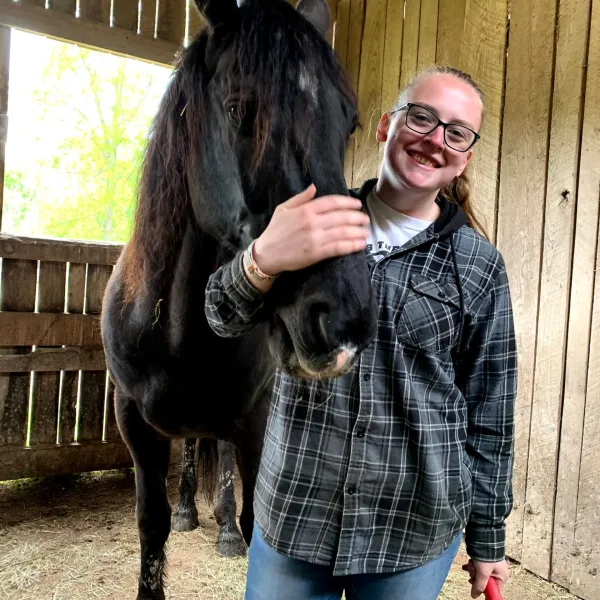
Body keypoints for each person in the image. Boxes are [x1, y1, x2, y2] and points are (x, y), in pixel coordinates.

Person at [204, 65, 517, 600]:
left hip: (411, 529)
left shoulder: (478, 266)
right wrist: (264, 257)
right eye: (421, 117)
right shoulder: (307, 221)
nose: (434, 139)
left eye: (456, 132)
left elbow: (490, 412)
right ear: (385, 126)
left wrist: (487, 540)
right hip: (296, 513)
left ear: (464, 155)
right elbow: (220, 316)